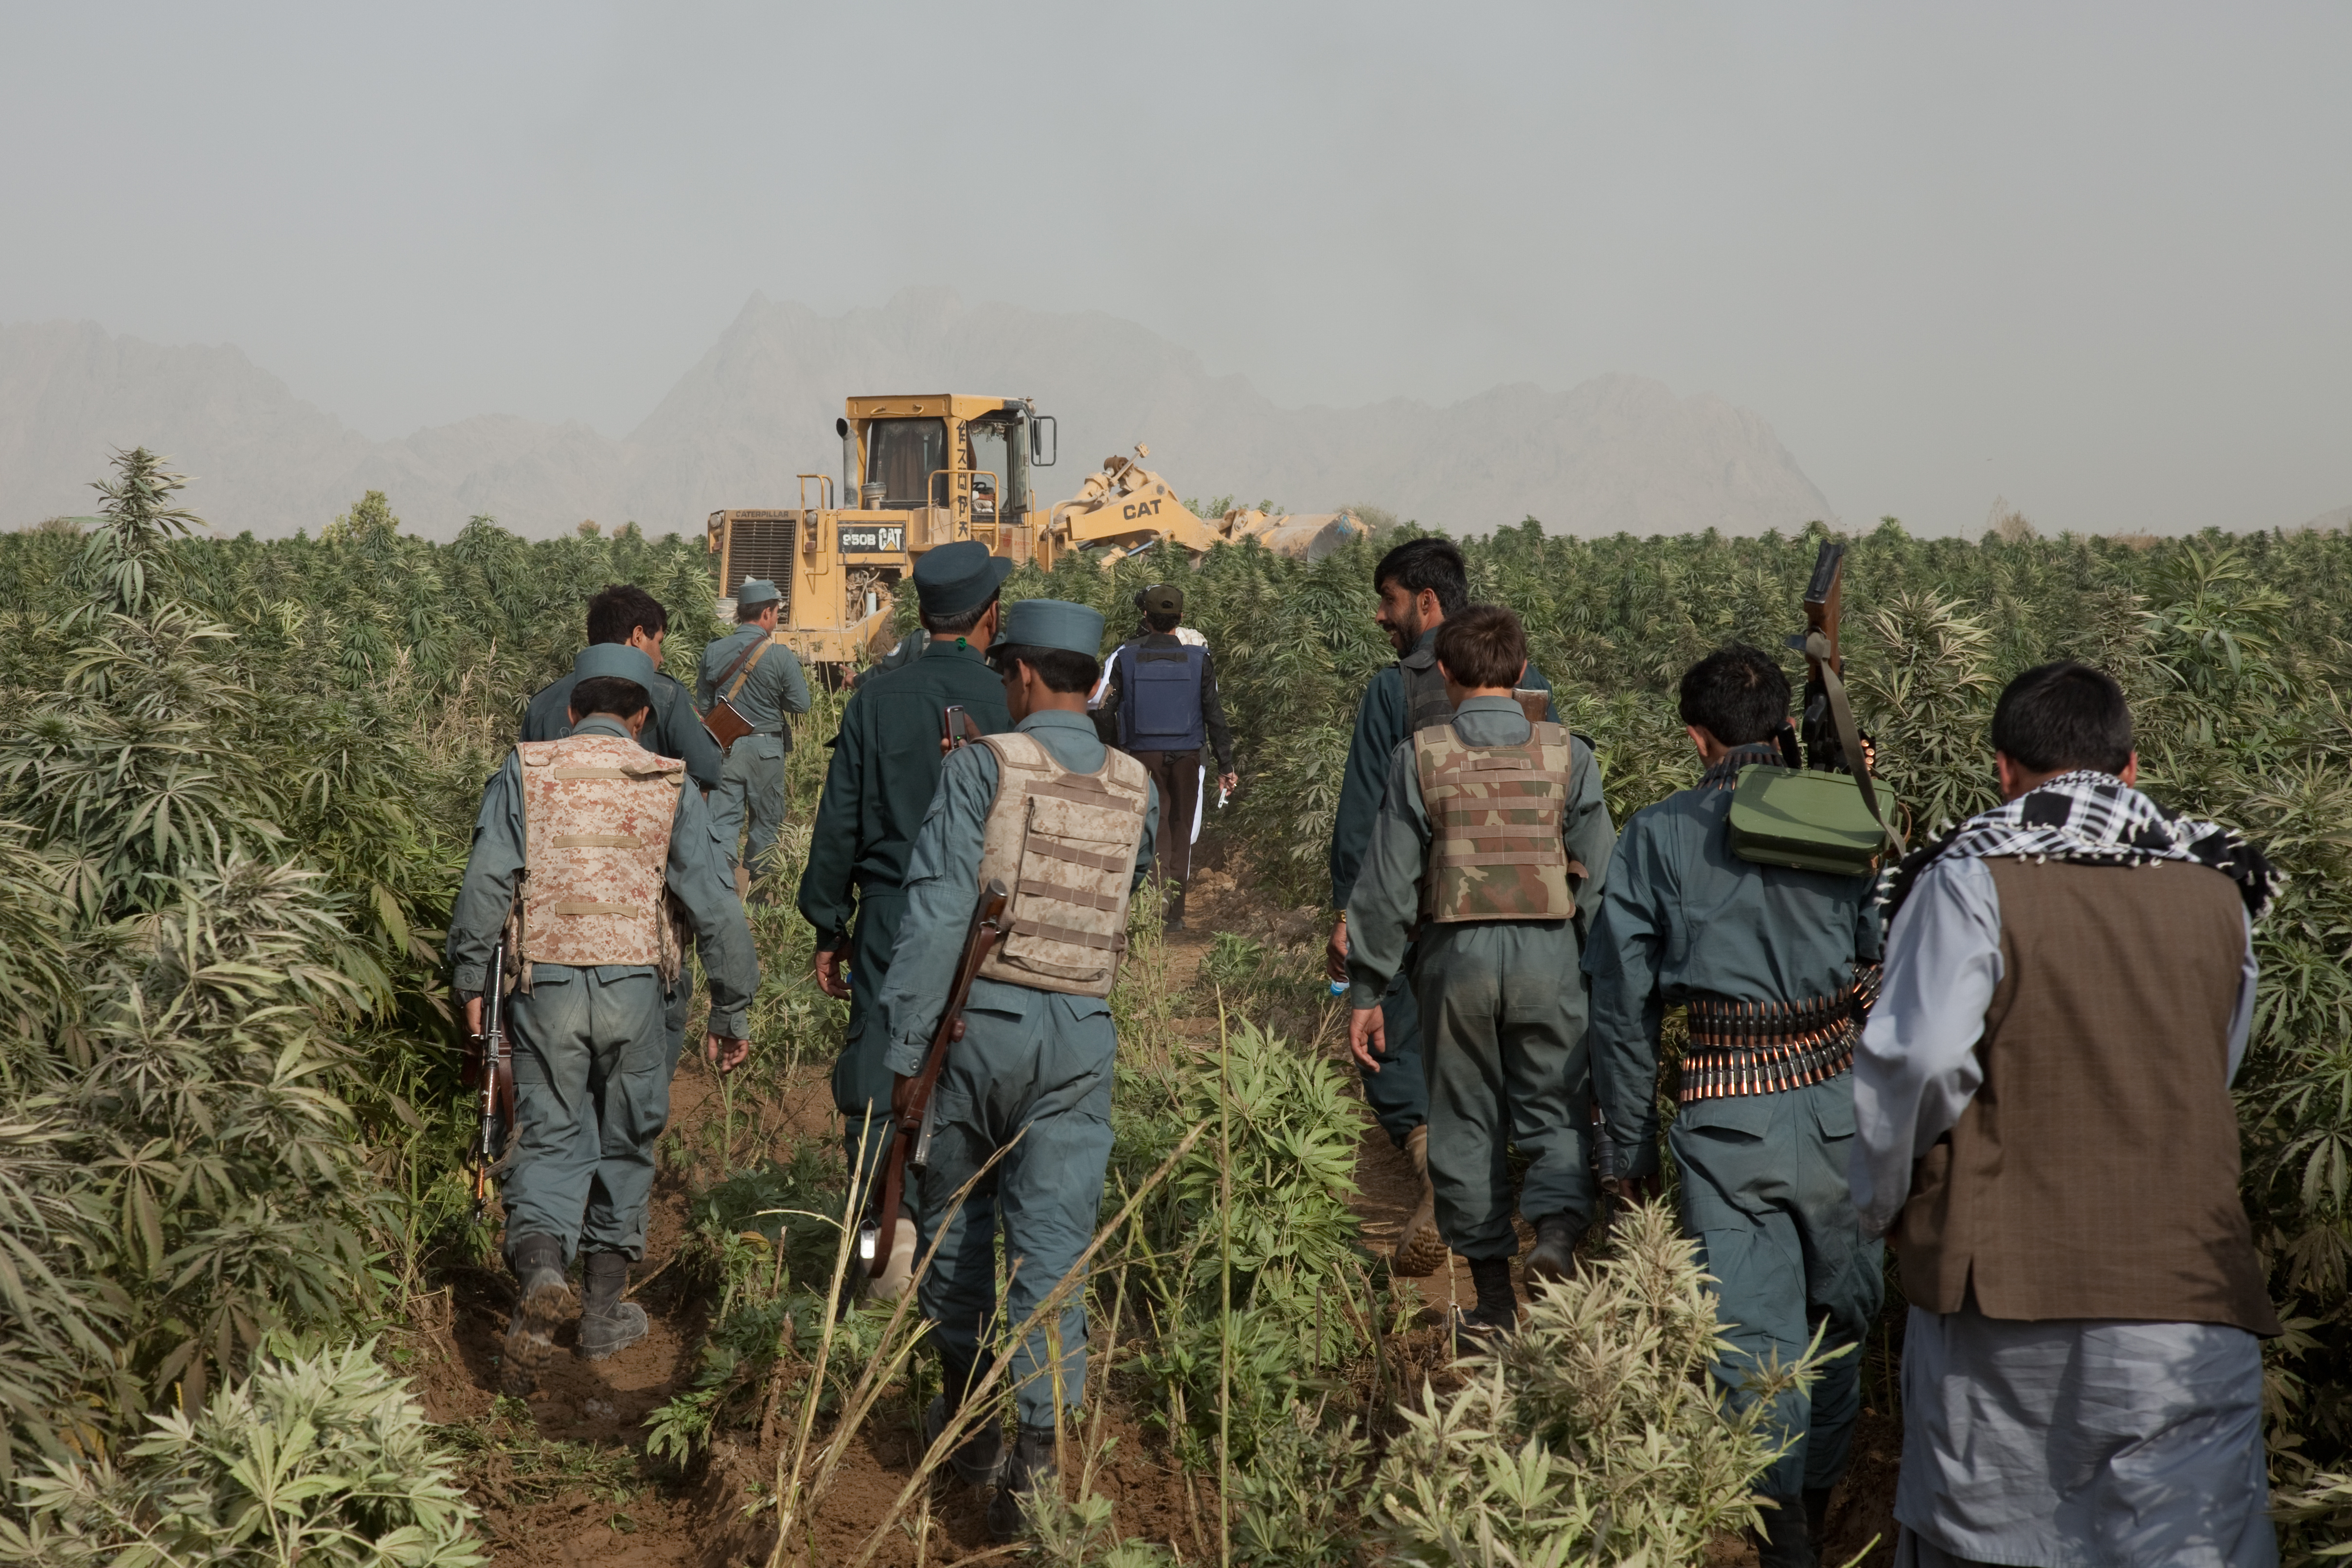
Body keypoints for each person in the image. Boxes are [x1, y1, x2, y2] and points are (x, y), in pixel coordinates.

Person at [1851, 661, 2280, 1568]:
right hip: (2186, 1296)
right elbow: (2215, 1066)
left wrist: (1883, 1200)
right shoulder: (2221, 894)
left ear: (2003, 770)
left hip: (2003, 1299)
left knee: (1993, 1536)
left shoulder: (1970, 878)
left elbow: (1921, 1057)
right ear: (2131, 770)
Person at [1582, 644, 1883, 1568]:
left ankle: (1783, 1532)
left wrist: (1627, 1153)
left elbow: (1622, 1009)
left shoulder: (1660, 834)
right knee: (1841, 1328)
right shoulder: (1846, 816)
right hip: (1842, 1109)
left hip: (1729, 1120)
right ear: (1786, 727)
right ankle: (1820, 1505)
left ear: (1696, 738)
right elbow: (1881, 959)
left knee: (1756, 1345)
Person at [870, 597, 1158, 1541]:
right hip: (1081, 1030)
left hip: (980, 1028)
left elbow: (934, 919)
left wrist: (904, 1057)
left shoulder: (982, 768)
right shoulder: (1133, 783)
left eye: (1005, 675)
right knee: (1053, 1246)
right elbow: (1132, 882)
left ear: (1024, 676)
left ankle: (969, 1429)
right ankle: (1034, 1461)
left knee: (958, 1231)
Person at [448, 673, 758, 1394]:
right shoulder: (668, 779)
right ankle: (598, 1315)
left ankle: (541, 1269)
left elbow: (487, 879)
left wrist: (470, 979)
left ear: (569, 712)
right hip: (635, 988)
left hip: (546, 986)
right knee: (625, 1139)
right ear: (642, 719)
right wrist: (731, 1004)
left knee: (551, 1135)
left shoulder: (525, 766)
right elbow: (712, 901)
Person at [1342, 605, 1614, 1350]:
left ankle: (1493, 1306)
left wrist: (1367, 989)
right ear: (1522, 672)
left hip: (1454, 963)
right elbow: (1601, 883)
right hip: (1550, 959)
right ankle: (1555, 1232)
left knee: (1465, 1123)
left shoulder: (1420, 755)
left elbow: (1390, 883)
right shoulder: (1568, 754)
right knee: (1555, 1106)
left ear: (1450, 678)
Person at [1325, 537, 1560, 1276]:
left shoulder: (1393, 689)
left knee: (1389, 1038)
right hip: (1526, 916)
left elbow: (1365, 820)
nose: (1379, 615)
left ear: (1427, 603)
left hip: (1424, 909)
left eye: (1389, 600)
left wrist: (1349, 917)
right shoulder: (1532, 684)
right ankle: (1543, 1220)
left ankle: (1434, 1169)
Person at [795, 541, 1014, 1295]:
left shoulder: (875, 698)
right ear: (991, 613)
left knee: (882, 1082)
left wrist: (829, 924)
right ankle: (962, 1262)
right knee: (974, 1075)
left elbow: (839, 825)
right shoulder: (1013, 698)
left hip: (892, 916)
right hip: (994, 921)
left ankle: (878, 1257)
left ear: (922, 612)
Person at [520, 584, 729, 1117]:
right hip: (642, 925)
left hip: (553, 929)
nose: (659, 655)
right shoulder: (660, 695)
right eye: (658, 641)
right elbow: (707, 768)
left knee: (557, 1108)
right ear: (638, 637)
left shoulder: (547, 702)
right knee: (636, 1091)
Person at [1094, 581, 1237, 930]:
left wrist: (1113, 753)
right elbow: (1213, 713)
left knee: (1152, 828)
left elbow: (1102, 710)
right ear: (1181, 617)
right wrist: (1226, 764)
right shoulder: (1199, 658)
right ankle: (1176, 913)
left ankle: (1150, 904)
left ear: (1146, 616)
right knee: (1181, 828)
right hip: (1188, 754)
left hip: (1142, 755)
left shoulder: (1125, 656)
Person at [696, 577, 813, 887]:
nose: (776, 619)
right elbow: (801, 705)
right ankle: (760, 901)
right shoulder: (780, 655)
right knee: (766, 824)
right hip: (766, 752)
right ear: (766, 614)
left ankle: (722, 894)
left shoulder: (713, 650)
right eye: (776, 613)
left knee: (722, 824)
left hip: (727, 749)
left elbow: (706, 707)